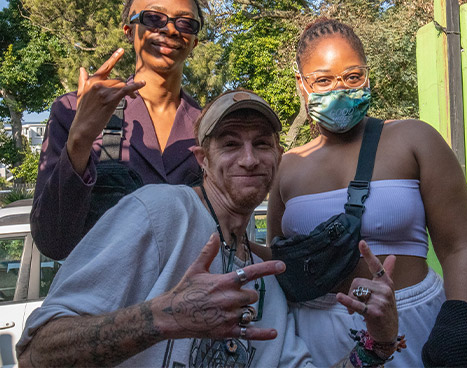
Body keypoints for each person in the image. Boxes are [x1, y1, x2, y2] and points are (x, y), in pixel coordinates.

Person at [16, 90, 402, 368]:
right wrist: (164, 316)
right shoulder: (162, 212)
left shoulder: (266, 285)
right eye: (230, 144)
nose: (249, 159)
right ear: (203, 158)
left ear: (278, 156)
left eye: (262, 144)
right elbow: (38, 352)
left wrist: (377, 344)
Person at [265, 18, 467, 367]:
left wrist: (466, 333)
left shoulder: (416, 140)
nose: (340, 90)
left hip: (413, 328)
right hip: (317, 339)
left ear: (368, 75)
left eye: (352, 76)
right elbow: (280, 263)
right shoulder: (285, 165)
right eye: (323, 80)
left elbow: (461, 246)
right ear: (302, 85)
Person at [31, 0, 205, 260]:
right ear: (129, 30)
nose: (171, 30)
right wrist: (80, 139)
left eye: (186, 23)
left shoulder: (209, 127)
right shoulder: (74, 111)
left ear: (195, 41)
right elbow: (53, 242)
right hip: (105, 303)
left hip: (192, 299)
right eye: (154, 18)